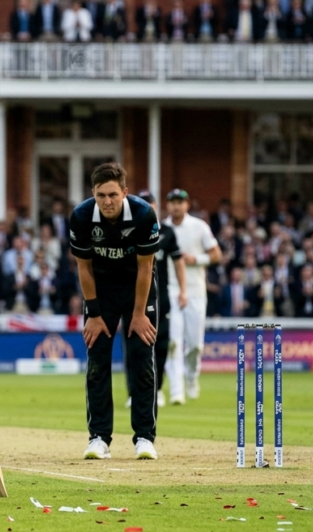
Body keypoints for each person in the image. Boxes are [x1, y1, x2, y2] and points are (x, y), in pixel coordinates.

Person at [69, 162, 160, 461]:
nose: (107, 202)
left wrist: (139, 314)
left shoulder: (144, 214)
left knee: (142, 360)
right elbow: (84, 268)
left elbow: (146, 267)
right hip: (101, 291)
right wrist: (94, 315)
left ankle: (144, 438)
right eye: (101, 195)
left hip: (138, 290)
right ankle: (99, 438)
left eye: (112, 195)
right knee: (97, 363)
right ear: (93, 193)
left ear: (124, 192)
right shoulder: (81, 216)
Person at [125, 191, 186, 410]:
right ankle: (134, 393)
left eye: (149, 204)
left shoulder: (167, 232)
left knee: (160, 345)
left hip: (160, 297)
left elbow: (178, 261)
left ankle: (157, 389)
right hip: (132, 297)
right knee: (133, 346)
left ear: (155, 206)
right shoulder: (126, 231)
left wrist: (183, 290)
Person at [162, 189, 221, 405]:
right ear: (167, 205)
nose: (176, 206)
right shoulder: (161, 228)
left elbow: (216, 254)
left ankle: (191, 376)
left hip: (195, 290)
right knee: (173, 342)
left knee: (195, 345)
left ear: (187, 205)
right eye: (172, 202)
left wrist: (196, 259)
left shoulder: (199, 226)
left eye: (180, 202)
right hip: (171, 289)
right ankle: (176, 390)